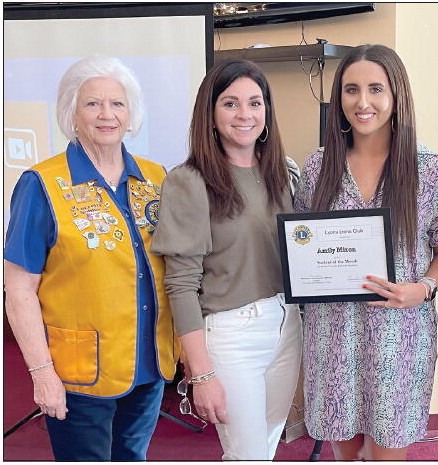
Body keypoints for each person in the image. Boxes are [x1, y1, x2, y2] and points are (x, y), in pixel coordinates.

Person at [3, 56, 179, 461]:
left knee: (133, 456)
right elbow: (18, 288)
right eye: (92, 104)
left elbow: (176, 267)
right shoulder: (42, 183)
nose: (106, 115)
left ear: (131, 114)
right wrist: (42, 372)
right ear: (72, 114)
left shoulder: (156, 179)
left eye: (117, 104)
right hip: (77, 372)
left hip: (149, 364)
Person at [294, 44, 438, 461]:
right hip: (332, 337)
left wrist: (422, 288)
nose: (362, 102)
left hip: (399, 337)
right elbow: (301, 246)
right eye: (351, 90)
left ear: (396, 95)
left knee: (388, 451)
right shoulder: (317, 167)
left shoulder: (427, 168)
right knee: (345, 452)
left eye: (375, 89)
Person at [150, 58, 302, 461]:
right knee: (247, 455)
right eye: (230, 103)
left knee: (263, 448)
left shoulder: (284, 173)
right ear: (210, 114)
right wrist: (200, 373)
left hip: (287, 326)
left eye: (255, 102)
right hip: (231, 336)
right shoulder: (190, 181)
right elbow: (180, 283)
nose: (245, 114)